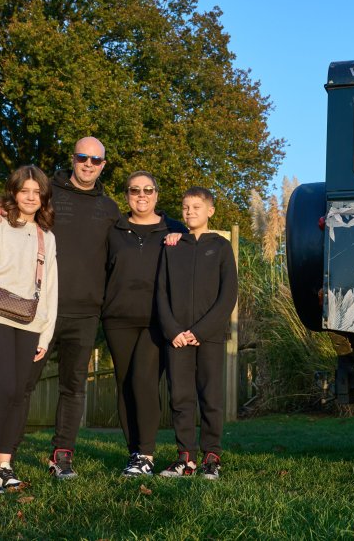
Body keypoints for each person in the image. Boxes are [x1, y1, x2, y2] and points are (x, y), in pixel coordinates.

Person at [0, 136, 119, 479]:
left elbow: (137, 235)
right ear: (73, 159)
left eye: (96, 160)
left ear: (104, 165)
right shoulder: (49, 193)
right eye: (82, 157)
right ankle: (5, 460)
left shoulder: (110, 208)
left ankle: (61, 457)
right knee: (20, 385)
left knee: (73, 387)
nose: (88, 164)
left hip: (86, 312)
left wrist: (176, 231)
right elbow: (16, 208)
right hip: (38, 312)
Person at [0, 166, 58, 496]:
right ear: (14, 192)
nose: (31, 197)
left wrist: (45, 336)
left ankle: (5, 465)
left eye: (37, 192)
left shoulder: (47, 237)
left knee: (19, 394)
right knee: (4, 389)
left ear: (43, 197)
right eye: (25, 191)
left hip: (31, 324)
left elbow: (50, 291)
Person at [102, 171, 187, 476]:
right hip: (117, 318)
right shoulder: (113, 230)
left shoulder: (174, 228)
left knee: (145, 381)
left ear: (156, 194)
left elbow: (201, 254)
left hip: (157, 320)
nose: (141, 195)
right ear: (126, 195)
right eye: (135, 190)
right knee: (125, 385)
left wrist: (183, 239)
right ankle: (134, 452)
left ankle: (147, 454)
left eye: (147, 190)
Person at [155, 187, 238, 480]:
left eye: (196, 207)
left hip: (210, 336)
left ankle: (211, 457)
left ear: (210, 211)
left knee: (210, 397)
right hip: (177, 338)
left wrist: (201, 331)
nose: (190, 212)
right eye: (185, 207)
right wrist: (174, 330)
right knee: (180, 397)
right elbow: (161, 293)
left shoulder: (221, 246)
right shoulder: (172, 247)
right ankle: (185, 457)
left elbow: (228, 294)